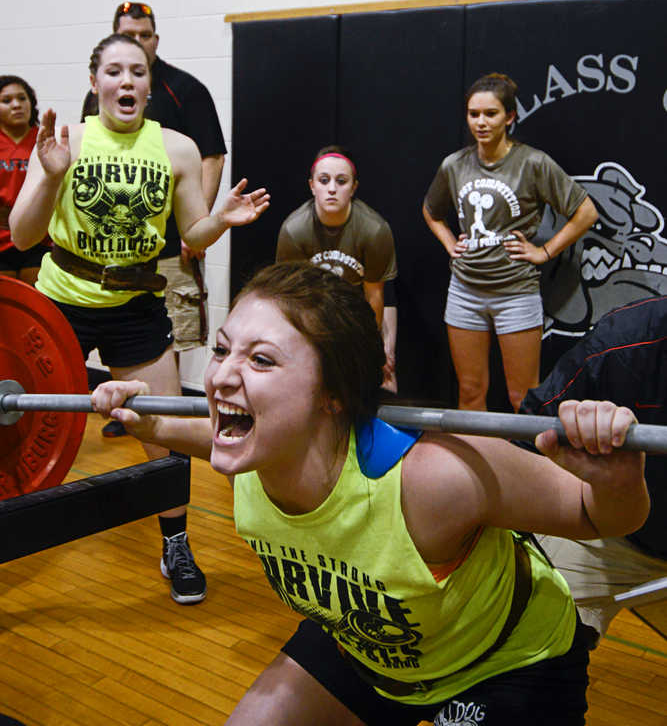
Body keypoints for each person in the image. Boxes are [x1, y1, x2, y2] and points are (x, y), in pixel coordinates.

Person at [92, 261, 649, 725]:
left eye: (261, 359)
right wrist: (152, 422)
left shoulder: (432, 478)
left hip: (503, 663)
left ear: (332, 395)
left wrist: (618, 477)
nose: (219, 378)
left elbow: (596, 514)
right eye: (222, 350)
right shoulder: (256, 447)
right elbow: (201, 431)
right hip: (369, 646)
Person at [10, 32, 269, 605]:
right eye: (114, 71)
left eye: (137, 71)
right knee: (18, 421)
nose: (126, 81)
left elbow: (192, 236)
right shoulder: (64, 141)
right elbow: (25, 235)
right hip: (62, 302)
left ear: (150, 84)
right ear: (95, 81)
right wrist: (51, 175)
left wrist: (221, 219)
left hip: (136, 304)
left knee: (165, 431)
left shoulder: (176, 148)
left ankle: (175, 542)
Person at [82, 2, 227, 434]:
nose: (138, 43)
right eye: (129, 35)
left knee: (171, 335)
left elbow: (212, 157)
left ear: (155, 41)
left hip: (169, 245)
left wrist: (193, 226)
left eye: (145, 36)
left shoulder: (186, 88)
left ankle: (160, 421)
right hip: (110, 250)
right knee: (115, 332)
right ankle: (126, 409)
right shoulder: (99, 96)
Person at [422, 72, 598, 412]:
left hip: (515, 293)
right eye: (474, 114)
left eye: (491, 114)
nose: (481, 122)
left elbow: (586, 212)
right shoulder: (454, 165)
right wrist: (449, 244)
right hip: (465, 292)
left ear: (510, 117)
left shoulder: (533, 163)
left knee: (522, 398)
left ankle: (521, 466)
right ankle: (476, 466)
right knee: (470, 391)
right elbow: (431, 211)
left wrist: (544, 251)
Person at [519, 294, 667, 642]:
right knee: (528, 633)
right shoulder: (623, 340)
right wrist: (590, 488)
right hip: (617, 543)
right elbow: (527, 438)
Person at [276, 145, 399, 389]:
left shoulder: (374, 230)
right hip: (315, 307)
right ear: (312, 186)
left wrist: (375, 348)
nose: (332, 189)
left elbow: (375, 296)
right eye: (324, 180)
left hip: (363, 305)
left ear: (353, 188)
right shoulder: (294, 230)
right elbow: (290, 298)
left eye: (341, 181)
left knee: (384, 380)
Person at [0, 76, 50, 284]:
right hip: (2, 239)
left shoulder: (46, 141)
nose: (17, 105)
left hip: (38, 238)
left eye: (22, 98)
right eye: (7, 100)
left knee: (34, 304)